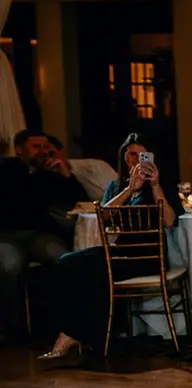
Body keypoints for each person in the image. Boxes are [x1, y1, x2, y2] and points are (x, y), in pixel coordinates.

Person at [36, 134, 182, 368]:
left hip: (149, 257)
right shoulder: (117, 186)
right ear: (125, 158)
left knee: (92, 270)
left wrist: (154, 186)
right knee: (67, 262)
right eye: (132, 154)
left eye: (143, 154)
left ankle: (75, 335)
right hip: (120, 253)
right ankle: (82, 333)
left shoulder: (162, 183)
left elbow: (170, 221)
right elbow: (103, 216)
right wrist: (129, 190)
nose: (138, 159)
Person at [0, 129, 88, 339]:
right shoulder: (7, 169)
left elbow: (80, 204)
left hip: (39, 235)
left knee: (62, 259)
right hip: (7, 235)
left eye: (47, 147)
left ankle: (61, 326)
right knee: (10, 264)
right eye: (36, 147)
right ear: (20, 149)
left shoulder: (50, 175)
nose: (43, 152)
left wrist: (66, 176)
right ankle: (11, 328)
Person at [50, 134, 119, 200]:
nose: (49, 160)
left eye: (51, 154)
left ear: (62, 152)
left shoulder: (94, 165)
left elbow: (118, 191)